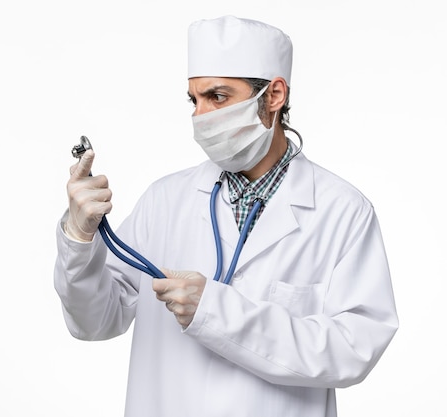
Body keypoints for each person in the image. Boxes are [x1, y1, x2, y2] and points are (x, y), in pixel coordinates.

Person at [53, 15, 398, 417]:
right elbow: (94, 322)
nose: (201, 116)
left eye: (218, 97)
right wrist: (78, 239)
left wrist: (216, 311)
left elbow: (353, 350)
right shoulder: (165, 200)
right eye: (194, 100)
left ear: (274, 96)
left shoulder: (342, 211)